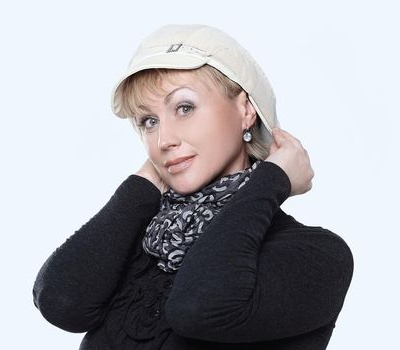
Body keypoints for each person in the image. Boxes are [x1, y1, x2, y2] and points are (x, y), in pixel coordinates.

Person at [32, 24, 354, 350]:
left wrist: (271, 180)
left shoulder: (318, 255)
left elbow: (198, 308)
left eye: (184, 108)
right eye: (149, 121)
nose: (163, 140)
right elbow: (61, 302)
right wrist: (144, 183)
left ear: (246, 110)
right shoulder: (140, 240)